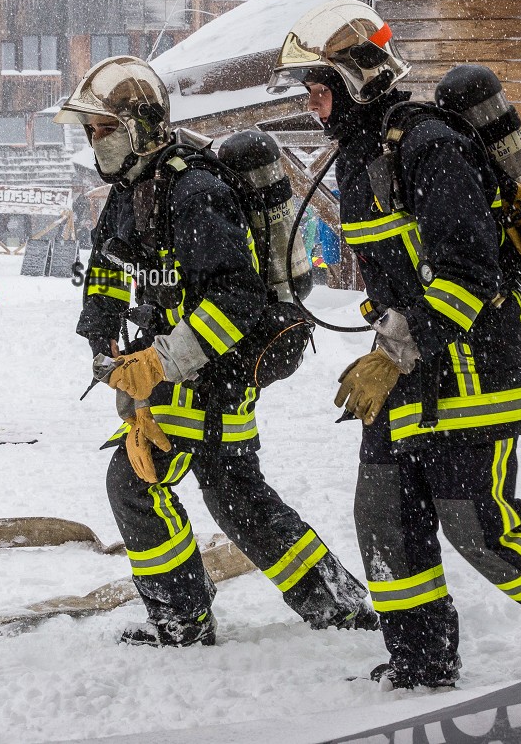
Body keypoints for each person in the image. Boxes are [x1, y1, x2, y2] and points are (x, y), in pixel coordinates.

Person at [268, 6, 521, 689]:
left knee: (479, 526)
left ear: (354, 78)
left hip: (475, 370)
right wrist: (389, 347)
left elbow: (467, 271)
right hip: (411, 372)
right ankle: (421, 660)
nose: (310, 102)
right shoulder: (362, 156)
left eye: (317, 86)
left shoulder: (428, 144)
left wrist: (391, 353)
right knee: (384, 515)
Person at [57, 55, 375, 648]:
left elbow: (237, 300)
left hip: (217, 370)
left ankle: (183, 619)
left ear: (138, 127)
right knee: (236, 496)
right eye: (90, 131)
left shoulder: (195, 191)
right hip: (181, 368)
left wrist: (157, 364)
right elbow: (106, 265)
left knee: (137, 485)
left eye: (103, 129)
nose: (94, 142)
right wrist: (100, 339)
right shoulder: (134, 187)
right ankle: (337, 603)